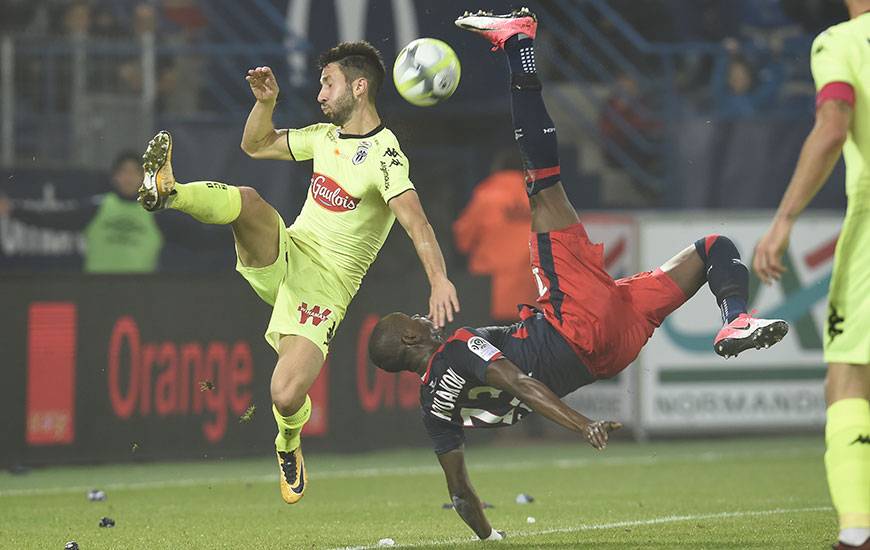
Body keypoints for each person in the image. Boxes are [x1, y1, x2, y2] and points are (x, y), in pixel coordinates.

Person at [367, 8, 789, 541]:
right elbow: (520, 382)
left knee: (711, 249)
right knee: (541, 182)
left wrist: (490, 539)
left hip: (610, 351)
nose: (426, 317)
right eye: (416, 318)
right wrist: (580, 423)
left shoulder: (433, 411)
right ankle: (518, 43)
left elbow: (459, 491)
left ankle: (735, 319)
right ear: (410, 337)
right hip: (575, 323)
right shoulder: (455, 347)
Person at [137, 42, 460, 504]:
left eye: (329, 83)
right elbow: (254, 145)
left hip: (325, 289)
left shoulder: (385, 156)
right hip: (288, 251)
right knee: (248, 200)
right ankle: (171, 192)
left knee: (285, 395)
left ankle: (288, 443)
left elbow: (417, 222)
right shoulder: (322, 138)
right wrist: (264, 104)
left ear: (359, 86)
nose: (320, 94)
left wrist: (438, 278)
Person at [753, 2, 870, 548]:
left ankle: (855, 532)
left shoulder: (841, 43)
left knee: (849, 375)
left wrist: (783, 221)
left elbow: (832, 123)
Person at [0, 151, 163, 273]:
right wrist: (13, 211)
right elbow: (53, 220)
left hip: (141, 295)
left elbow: (187, 235)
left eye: (134, 172)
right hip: (96, 292)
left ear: (144, 177)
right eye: (124, 172)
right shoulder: (98, 208)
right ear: (115, 177)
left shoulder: (157, 214)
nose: (129, 177)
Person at [453, 149, 537, 322]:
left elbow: (463, 240)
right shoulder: (539, 199)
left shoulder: (486, 196)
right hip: (532, 294)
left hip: (490, 296)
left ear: (498, 169)